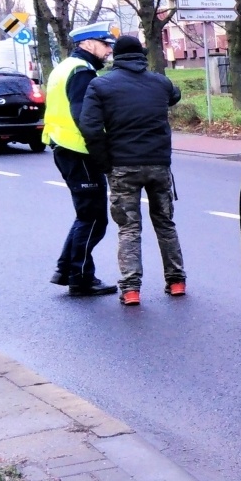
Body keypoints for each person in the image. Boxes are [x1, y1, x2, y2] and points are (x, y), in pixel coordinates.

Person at [78, 35, 185, 307]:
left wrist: (105, 163)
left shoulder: (100, 86)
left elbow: (90, 128)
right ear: (141, 55)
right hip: (159, 165)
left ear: (116, 55)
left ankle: (131, 289)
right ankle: (176, 281)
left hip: (122, 167)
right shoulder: (159, 82)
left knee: (129, 229)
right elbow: (174, 94)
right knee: (166, 224)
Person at [44, 22, 117, 297]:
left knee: (86, 215)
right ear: (87, 44)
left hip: (66, 147)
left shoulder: (65, 68)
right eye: (104, 43)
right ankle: (81, 276)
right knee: (94, 218)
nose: (109, 49)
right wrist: (101, 154)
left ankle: (66, 270)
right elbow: (83, 117)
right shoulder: (81, 73)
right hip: (79, 151)